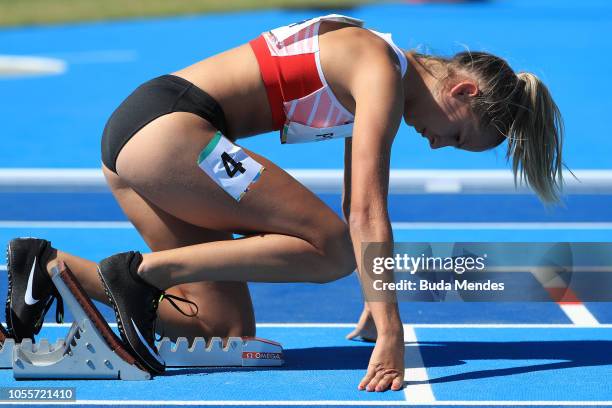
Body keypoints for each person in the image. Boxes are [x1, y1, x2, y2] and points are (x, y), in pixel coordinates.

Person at [4, 14, 564, 392]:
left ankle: (49, 272)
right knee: (335, 251)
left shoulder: (382, 67)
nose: (440, 144)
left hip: (146, 139)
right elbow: (366, 215)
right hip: (170, 130)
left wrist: (375, 297)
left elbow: (355, 195)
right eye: (459, 137)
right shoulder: (378, 68)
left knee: (224, 329)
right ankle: (143, 274)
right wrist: (392, 330)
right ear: (462, 92)